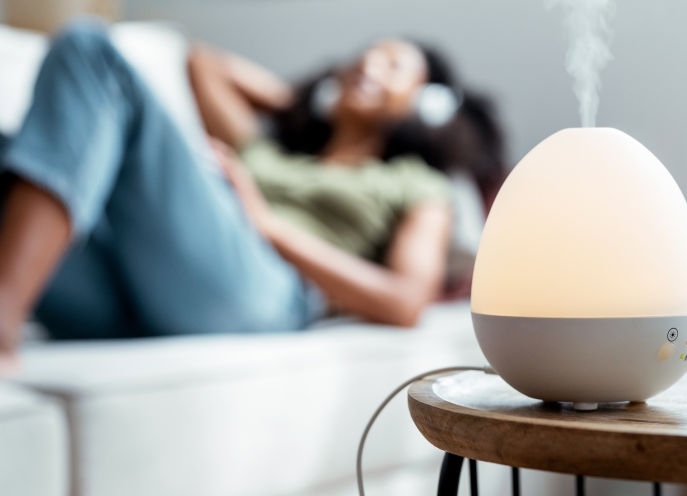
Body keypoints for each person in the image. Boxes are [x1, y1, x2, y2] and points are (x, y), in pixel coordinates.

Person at [0, 20, 505, 368]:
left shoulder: (417, 184)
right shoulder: (268, 150)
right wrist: (306, 101)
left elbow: (404, 302)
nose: (369, 64)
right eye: (364, 57)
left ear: (429, 105)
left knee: (91, 51)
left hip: (265, 288)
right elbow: (202, 63)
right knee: (10, 153)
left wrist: (266, 224)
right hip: (148, 289)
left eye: (393, 66)